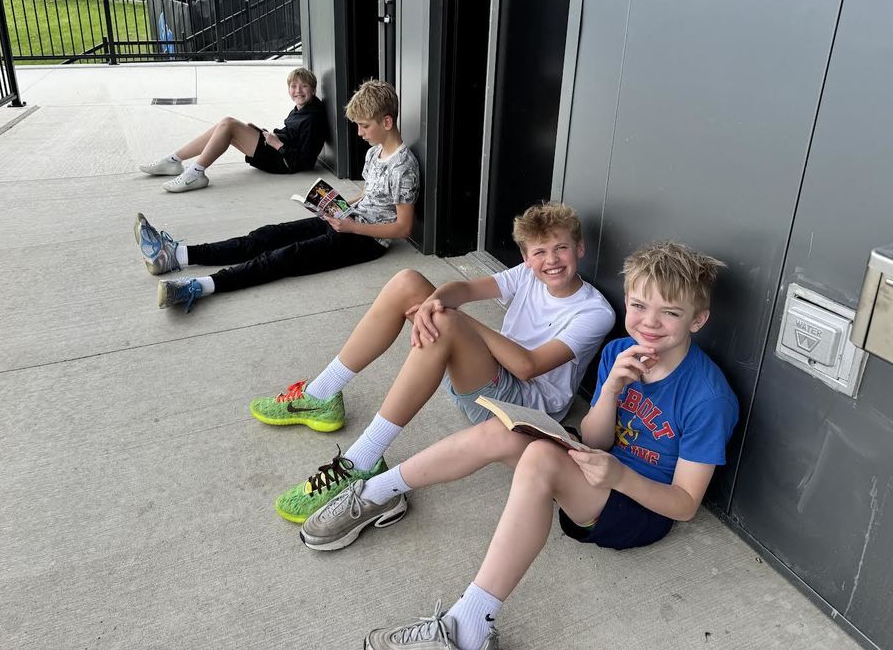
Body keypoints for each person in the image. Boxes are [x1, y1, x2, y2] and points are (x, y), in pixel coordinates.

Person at [346, 241, 739, 650]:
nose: (649, 323)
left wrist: (619, 475)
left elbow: (685, 504)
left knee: (538, 459)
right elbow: (596, 439)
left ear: (698, 319)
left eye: (671, 313)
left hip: (639, 508)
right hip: (600, 469)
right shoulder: (621, 352)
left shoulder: (707, 397)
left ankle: (469, 628)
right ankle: (373, 492)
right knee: (504, 430)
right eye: (639, 306)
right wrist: (610, 391)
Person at [249, 201, 617, 527]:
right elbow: (467, 290)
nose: (551, 260)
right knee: (408, 282)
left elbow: (527, 366)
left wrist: (452, 317)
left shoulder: (594, 311)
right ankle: (322, 392)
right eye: (540, 252)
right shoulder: (527, 275)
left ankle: (362, 458)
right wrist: (435, 301)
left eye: (561, 248)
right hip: (484, 377)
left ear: (579, 248)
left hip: (521, 409)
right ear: (525, 257)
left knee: (448, 321)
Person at [134, 79, 419, 312]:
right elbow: (367, 194)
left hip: (368, 240)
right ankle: (176, 256)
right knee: (265, 235)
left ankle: (201, 285)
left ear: (386, 122)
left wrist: (351, 226)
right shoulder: (374, 152)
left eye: (364, 126)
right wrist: (334, 205)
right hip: (347, 219)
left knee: (283, 257)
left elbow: (402, 228)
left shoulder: (404, 166)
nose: (359, 133)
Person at [138, 67, 329, 192]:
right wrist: (265, 134)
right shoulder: (302, 108)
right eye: (293, 86)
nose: (298, 91)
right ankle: (173, 161)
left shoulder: (313, 117)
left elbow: (304, 162)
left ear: (313, 89)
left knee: (229, 124)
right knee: (223, 126)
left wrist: (277, 144)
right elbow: (292, 134)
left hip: (282, 161)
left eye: (304, 86)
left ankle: (194, 173)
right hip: (275, 148)